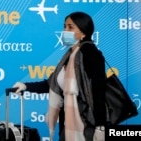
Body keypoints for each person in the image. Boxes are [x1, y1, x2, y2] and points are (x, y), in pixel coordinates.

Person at [13, 11, 106, 141]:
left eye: (70, 27)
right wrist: (25, 86)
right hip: (67, 125)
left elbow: (99, 90)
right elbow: (51, 84)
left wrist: (101, 126)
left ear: (83, 33)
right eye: (64, 26)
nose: (65, 30)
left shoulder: (90, 54)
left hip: (86, 125)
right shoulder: (69, 57)